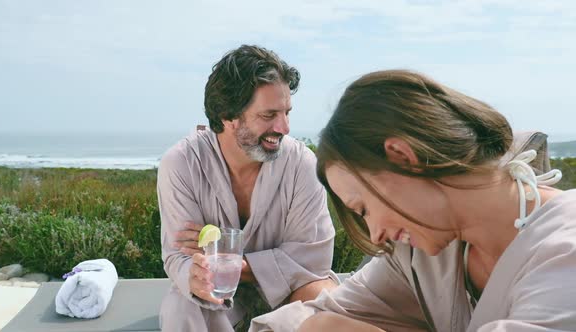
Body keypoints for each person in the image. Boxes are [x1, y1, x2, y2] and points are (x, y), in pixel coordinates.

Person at [249, 70, 576, 331]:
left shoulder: (564, 250)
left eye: (363, 209)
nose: (375, 235)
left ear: (403, 156)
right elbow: (315, 317)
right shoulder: (419, 252)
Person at [157, 45, 337, 332]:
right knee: (182, 305)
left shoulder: (302, 163)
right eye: (269, 116)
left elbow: (312, 259)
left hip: (292, 291)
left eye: (287, 112)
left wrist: (231, 264)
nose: (285, 127)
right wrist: (196, 274)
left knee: (323, 298)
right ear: (228, 116)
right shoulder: (181, 164)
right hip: (217, 297)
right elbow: (179, 255)